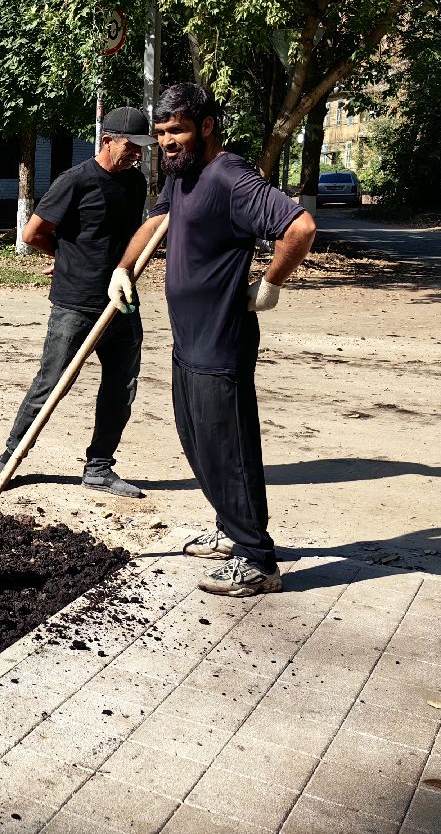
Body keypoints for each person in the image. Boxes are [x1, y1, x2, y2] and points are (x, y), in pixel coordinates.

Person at [109, 84, 316, 597]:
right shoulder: (182, 177)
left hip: (221, 343)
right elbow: (157, 221)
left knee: (230, 449)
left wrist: (269, 285)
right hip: (188, 343)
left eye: (176, 130)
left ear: (205, 127)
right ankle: (231, 529)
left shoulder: (229, 176)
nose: (166, 142)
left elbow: (301, 227)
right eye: (160, 134)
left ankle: (258, 562)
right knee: (199, 443)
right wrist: (124, 267)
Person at [0, 106, 155, 498]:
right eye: (131, 146)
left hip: (123, 302)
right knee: (52, 383)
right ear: (107, 141)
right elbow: (32, 233)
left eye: (143, 148)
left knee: (121, 386)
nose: (138, 154)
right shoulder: (76, 181)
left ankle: (99, 467)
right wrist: (64, 259)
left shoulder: (135, 183)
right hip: (75, 304)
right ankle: (9, 456)